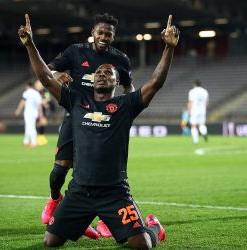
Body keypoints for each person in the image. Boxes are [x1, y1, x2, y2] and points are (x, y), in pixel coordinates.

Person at [19, 13, 178, 248]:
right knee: (50, 242)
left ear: (117, 82)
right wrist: (30, 43)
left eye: (108, 73)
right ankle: (74, 216)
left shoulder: (125, 106)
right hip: (79, 192)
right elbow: (44, 77)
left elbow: (155, 82)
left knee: (142, 245)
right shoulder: (75, 102)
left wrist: (168, 48)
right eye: (99, 73)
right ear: (92, 80)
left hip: (115, 193)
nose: (102, 75)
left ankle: (154, 225)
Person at [41, 13, 135, 238]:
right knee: (59, 169)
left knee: (102, 170)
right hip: (75, 117)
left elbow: (128, 89)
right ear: (92, 33)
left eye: (108, 34)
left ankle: (104, 218)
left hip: (104, 121)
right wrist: (59, 75)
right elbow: (49, 71)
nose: (104, 37)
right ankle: (56, 199)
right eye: (100, 32)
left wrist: (127, 112)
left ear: (113, 37)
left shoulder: (121, 59)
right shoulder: (75, 51)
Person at [14, 81, 42, 147]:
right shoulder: (36, 93)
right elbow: (39, 105)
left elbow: (22, 102)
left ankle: (34, 142)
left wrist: (18, 110)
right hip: (35, 112)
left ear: (28, 86)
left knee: (30, 127)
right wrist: (40, 113)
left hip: (28, 112)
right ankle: (26, 141)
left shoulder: (26, 93)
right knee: (28, 126)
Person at [187, 79, 209, 144]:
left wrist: (188, 111)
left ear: (194, 84)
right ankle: (204, 132)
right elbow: (206, 102)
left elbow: (190, 102)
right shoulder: (205, 91)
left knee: (193, 125)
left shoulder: (192, 91)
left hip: (194, 110)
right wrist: (204, 109)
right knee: (201, 124)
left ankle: (196, 141)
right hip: (202, 110)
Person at [34, 79, 50, 146]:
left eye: (39, 84)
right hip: (35, 110)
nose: (38, 85)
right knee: (39, 124)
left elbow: (48, 98)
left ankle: (41, 138)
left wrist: (44, 102)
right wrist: (42, 102)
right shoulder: (34, 92)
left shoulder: (44, 91)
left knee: (43, 123)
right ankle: (39, 138)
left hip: (42, 110)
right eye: (37, 84)